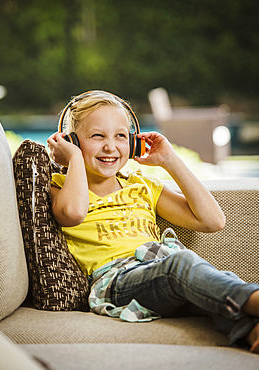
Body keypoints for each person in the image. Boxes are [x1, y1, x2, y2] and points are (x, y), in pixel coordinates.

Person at [47, 90, 259, 353]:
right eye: (97, 136)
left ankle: (252, 332)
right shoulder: (59, 188)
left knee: (207, 289)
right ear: (72, 142)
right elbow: (73, 214)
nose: (110, 146)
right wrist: (75, 159)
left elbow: (213, 221)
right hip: (117, 281)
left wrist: (169, 160)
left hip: (161, 270)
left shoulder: (142, 186)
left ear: (133, 144)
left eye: (121, 136)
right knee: (181, 264)